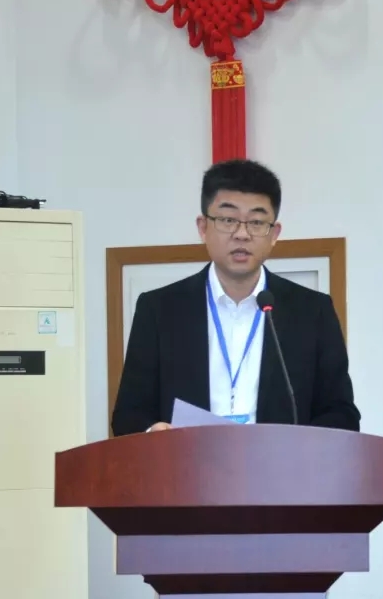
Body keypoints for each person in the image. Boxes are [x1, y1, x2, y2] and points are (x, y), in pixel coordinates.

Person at [111, 158, 361, 436]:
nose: (242, 234)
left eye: (256, 222)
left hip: (281, 463)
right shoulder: (159, 309)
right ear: (203, 227)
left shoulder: (313, 311)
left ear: (274, 234)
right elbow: (128, 414)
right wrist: (152, 433)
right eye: (228, 220)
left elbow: (342, 413)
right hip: (186, 462)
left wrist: (300, 447)